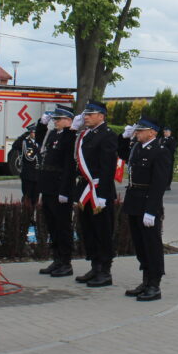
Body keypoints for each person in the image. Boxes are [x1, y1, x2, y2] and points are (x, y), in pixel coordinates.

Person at [121, 117, 171, 302]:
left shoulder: (160, 151)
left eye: (141, 130)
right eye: (137, 130)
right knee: (140, 245)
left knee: (152, 245)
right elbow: (121, 154)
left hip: (148, 204)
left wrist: (151, 210)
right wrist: (123, 138)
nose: (137, 133)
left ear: (152, 132)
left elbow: (159, 184)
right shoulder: (136, 147)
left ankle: (154, 285)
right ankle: (145, 281)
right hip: (134, 202)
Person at [73, 101, 119, 287]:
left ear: (101, 116)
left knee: (102, 231)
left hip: (99, 190)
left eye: (90, 114)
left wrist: (103, 195)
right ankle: (95, 266)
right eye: (85, 114)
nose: (86, 117)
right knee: (88, 230)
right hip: (86, 189)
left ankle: (105, 271)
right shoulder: (86, 134)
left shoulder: (108, 135)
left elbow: (108, 168)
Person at [38, 107, 77, 277]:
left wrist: (65, 190)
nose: (55, 121)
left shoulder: (70, 137)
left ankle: (66, 262)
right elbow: (40, 140)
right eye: (54, 119)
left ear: (69, 120)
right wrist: (41, 124)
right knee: (52, 225)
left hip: (60, 186)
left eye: (58, 119)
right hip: (48, 185)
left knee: (63, 226)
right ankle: (57, 259)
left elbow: (69, 166)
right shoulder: (53, 134)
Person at [19, 119, 44, 206]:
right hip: (28, 174)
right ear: (30, 133)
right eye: (34, 132)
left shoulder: (40, 143)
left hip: (37, 175)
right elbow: (29, 157)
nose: (35, 134)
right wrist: (37, 151)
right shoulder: (26, 142)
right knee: (27, 196)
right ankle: (26, 212)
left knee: (36, 197)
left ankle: (34, 212)